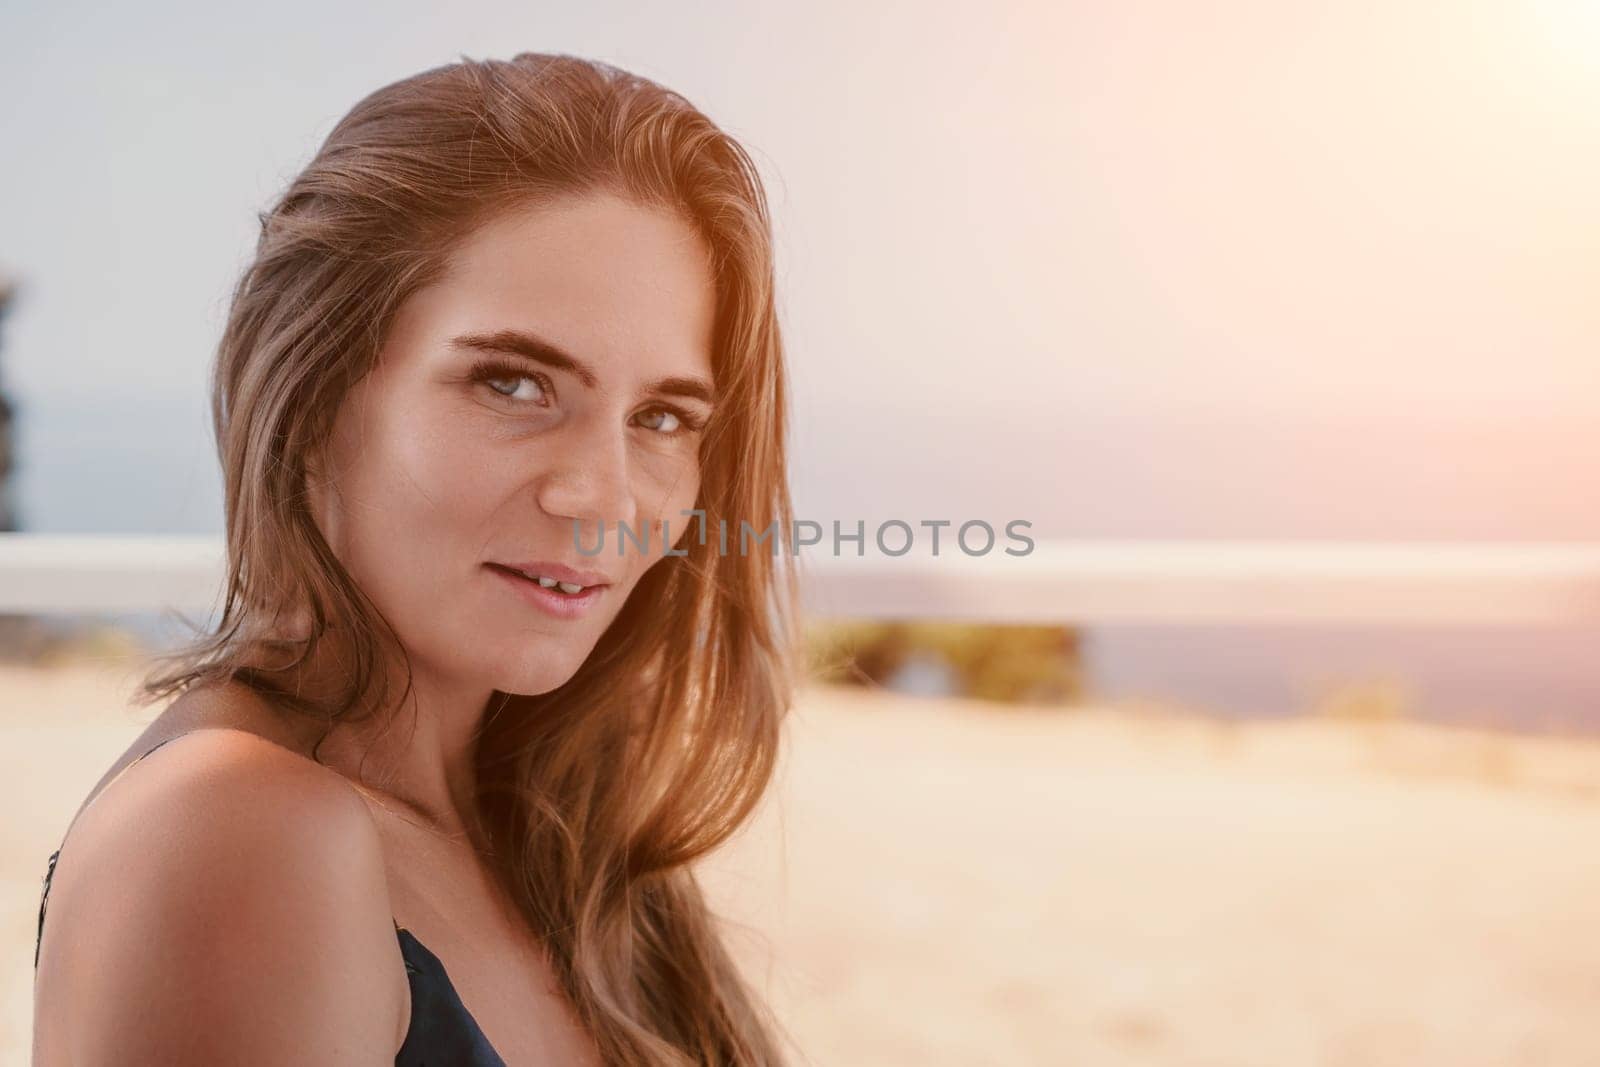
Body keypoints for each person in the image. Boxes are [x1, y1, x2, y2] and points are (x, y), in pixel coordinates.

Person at [31, 51, 799, 1066]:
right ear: (313, 394)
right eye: (514, 384)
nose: (604, 496)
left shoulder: (546, 828)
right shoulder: (236, 828)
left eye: (661, 414)